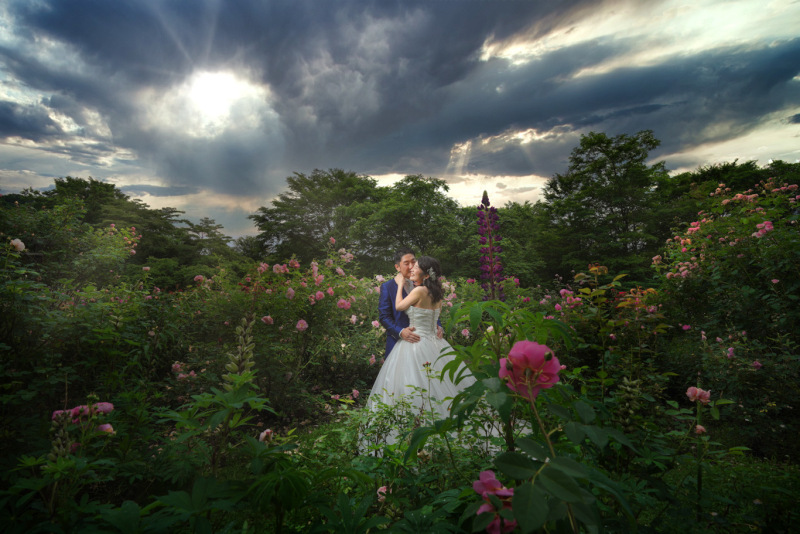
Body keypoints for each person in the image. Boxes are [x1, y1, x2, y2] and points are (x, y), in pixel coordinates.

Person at [367, 256, 475, 425]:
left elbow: (399, 307)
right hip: (435, 342)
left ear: (425, 275)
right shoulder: (437, 292)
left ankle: (416, 420)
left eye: (416, 266)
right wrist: (437, 327)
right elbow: (433, 316)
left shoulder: (418, 291)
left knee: (415, 383)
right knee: (440, 382)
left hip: (416, 341)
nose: (412, 269)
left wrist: (401, 285)